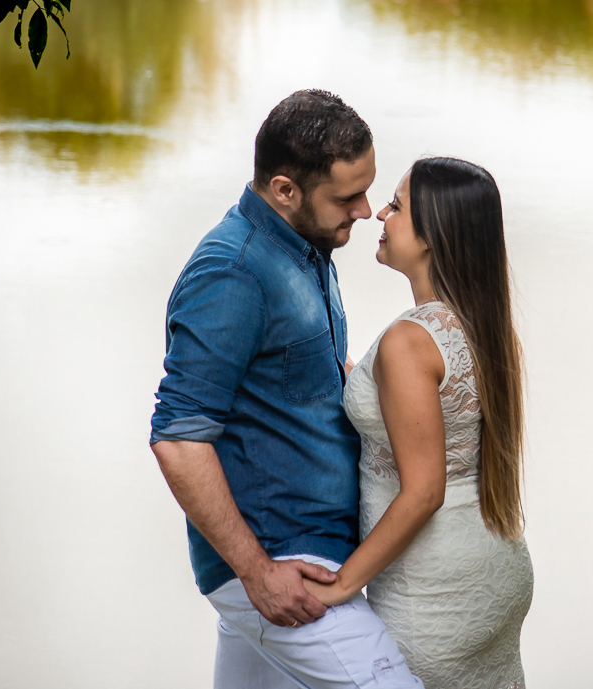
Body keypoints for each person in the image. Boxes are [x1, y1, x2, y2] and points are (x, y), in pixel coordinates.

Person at [149, 89, 423, 689]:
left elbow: (304, 382)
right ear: (284, 189)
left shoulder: (307, 246)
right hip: (283, 564)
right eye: (347, 197)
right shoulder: (233, 272)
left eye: (368, 189)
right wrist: (256, 573)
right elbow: (177, 437)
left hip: (316, 549)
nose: (365, 210)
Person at [302, 157, 534, 689]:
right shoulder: (479, 322)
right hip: (495, 567)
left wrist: (343, 586)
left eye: (398, 207)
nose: (380, 213)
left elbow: (424, 490)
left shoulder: (410, 340)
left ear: (433, 236)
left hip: (431, 589)